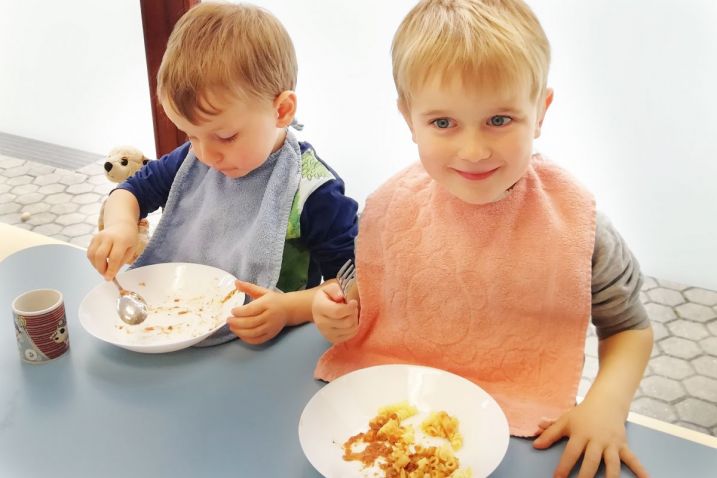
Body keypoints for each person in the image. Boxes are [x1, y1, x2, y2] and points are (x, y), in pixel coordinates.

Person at [312, 1, 652, 477]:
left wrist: (606, 408)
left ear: (540, 112)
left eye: (499, 119)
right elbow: (358, 290)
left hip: (526, 433)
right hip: (399, 412)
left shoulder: (579, 226)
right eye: (443, 123)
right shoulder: (387, 209)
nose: (472, 151)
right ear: (409, 118)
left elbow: (630, 328)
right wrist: (333, 313)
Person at [87, 2, 358, 346]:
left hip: (271, 349)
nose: (206, 154)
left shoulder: (313, 191)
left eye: (226, 137)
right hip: (175, 327)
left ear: (282, 110)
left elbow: (352, 283)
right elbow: (130, 192)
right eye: (190, 135)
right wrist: (119, 225)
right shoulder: (194, 161)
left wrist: (289, 308)